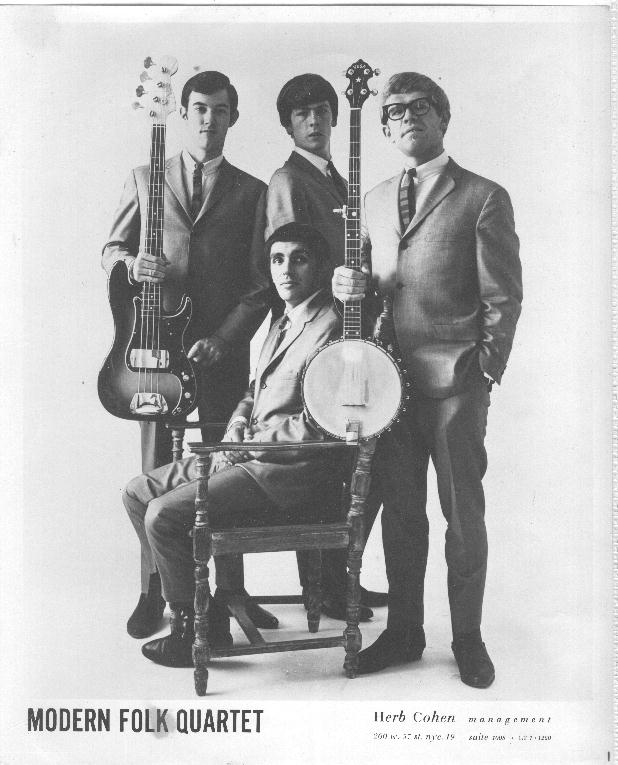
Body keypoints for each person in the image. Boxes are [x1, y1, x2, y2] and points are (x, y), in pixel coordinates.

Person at [332, 72, 522, 687]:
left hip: (458, 380)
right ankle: (405, 633)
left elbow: (503, 295)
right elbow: (369, 286)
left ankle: (467, 638)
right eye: (394, 111)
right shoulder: (374, 198)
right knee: (401, 514)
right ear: (386, 129)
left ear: (443, 117)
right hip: (390, 383)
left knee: (462, 516)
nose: (407, 116)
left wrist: (485, 369)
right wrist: (347, 285)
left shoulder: (483, 196)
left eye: (420, 106)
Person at [122, 223, 345, 668]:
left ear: (320, 267)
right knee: (137, 492)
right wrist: (239, 423)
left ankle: (191, 628)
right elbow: (254, 390)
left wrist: (252, 444)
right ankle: (207, 610)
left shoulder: (332, 327)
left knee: (163, 515)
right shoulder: (283, 319)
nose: (286, 270)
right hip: (249, 457)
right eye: (277, 259)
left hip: (286, 475)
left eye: (299, 258)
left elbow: (324, 423)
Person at [102, 70, 275, 639]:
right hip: (154, 348)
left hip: (220, 354)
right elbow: (111, 249)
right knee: (155, 470)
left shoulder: (253, 191)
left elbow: (260, 284)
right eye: (199, 108)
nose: (209, 119)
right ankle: (155, 591)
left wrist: (225, 338)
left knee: (230, 466)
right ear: (182, 113)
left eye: (220, 110)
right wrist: (131, 265)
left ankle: (232, 590)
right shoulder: (143, 177)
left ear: (233, 118)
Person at [264, 73, 386, 620]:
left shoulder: (335, 177)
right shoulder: (289, 180)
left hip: (351, 328)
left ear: (335, 117)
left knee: (361, 454)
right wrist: (324, 317)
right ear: (287, 125)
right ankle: (324, 587)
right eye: (301, 114)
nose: (313, 121)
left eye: (321, 111)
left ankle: (343, 574)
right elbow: (291, 261)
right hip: (319, 330)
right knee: (319, 460)